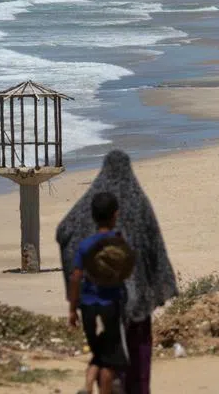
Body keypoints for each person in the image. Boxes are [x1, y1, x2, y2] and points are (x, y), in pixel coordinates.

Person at [57, 151, 178, 394]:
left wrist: (75, 300)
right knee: (134, 349)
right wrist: (155, 282)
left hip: (96, 302)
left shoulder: (90, 204)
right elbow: (154, 245)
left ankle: (96, 385)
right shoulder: (138, 202)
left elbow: (64, 230)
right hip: (133, 298)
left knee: (103, 352)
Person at [67, 191, 134, 394]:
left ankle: (88, 387)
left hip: (87, 304)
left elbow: (76, 277)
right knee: (109, 361)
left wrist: (72, 308)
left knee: (98, 351)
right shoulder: (119, 242)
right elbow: (128, 269)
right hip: (111, 303)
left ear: (93, 216)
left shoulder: (86, 245)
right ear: (115, 215)